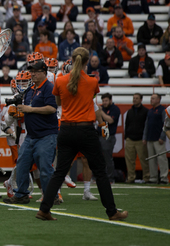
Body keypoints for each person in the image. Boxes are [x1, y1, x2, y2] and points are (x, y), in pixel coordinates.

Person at [37, 47, 127, 221]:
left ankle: (44, 209)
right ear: (87, 62)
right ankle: (112, 211)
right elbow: (91, 102)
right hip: (85, 129)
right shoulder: (92, 82)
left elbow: (59, 102)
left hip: (66, 129)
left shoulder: (61, 80)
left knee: (59, 172)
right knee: (100, 171)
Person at [4, 60, 58, 204]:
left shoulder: (49, 88)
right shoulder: (31, 89)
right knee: (22, 163)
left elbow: (52, 108)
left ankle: (51, 196)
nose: (32, 74)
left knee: (45, 168)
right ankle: (21, 194)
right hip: (31, 135)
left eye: (35, 72)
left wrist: (30, 109)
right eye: (31, 71)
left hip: (46, 134)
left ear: (43, 72)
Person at [124, 93, 150, 183]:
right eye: (134, 98)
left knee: (144, 159)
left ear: (141, 100)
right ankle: (131, 177)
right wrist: (126, 136)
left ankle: (146, 177)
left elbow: (147, 125)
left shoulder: (146, 111)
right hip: (130, 138)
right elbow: (127, 124)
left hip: (140, 139)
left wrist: (144, 137)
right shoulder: (130, 111)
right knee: (129, 160)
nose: (134, 100)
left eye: (136, 98)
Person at [144, 94, 168, 184]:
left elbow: (165, 124)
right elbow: (147, 125)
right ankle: (153, 177)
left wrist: (162, 136)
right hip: (150, 138)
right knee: (151, 159)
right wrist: (145, 137)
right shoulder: (150, 111)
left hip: (158, 139)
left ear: (158, 99)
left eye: (153, 98)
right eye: (151, 98)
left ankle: (164, 177)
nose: (151, 100)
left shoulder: (162, 110)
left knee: (161, 158)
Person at [99, 93, 120, 184]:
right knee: (98, 157)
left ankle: (110, 178)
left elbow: (110, 120)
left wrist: (101, 112)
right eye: (103, 101)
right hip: (99, 134)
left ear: (111, 100)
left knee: (108, 157)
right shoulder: (101, 108)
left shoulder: (115, 109)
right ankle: (98, 176)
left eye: (106, 100)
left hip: (109, 136)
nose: (104, 103)